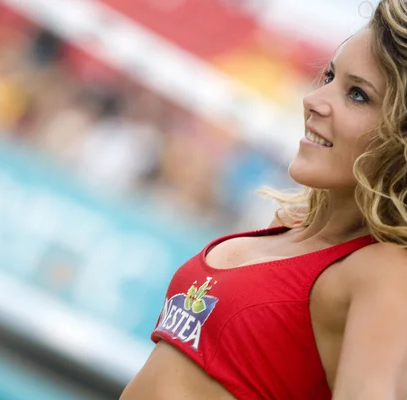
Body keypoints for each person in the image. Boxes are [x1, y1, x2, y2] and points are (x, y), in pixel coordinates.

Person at [121, 1, 407, 399]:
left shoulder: (386, 271)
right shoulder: (293, 231)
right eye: (329, 75)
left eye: (358, 94)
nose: (315, 100)